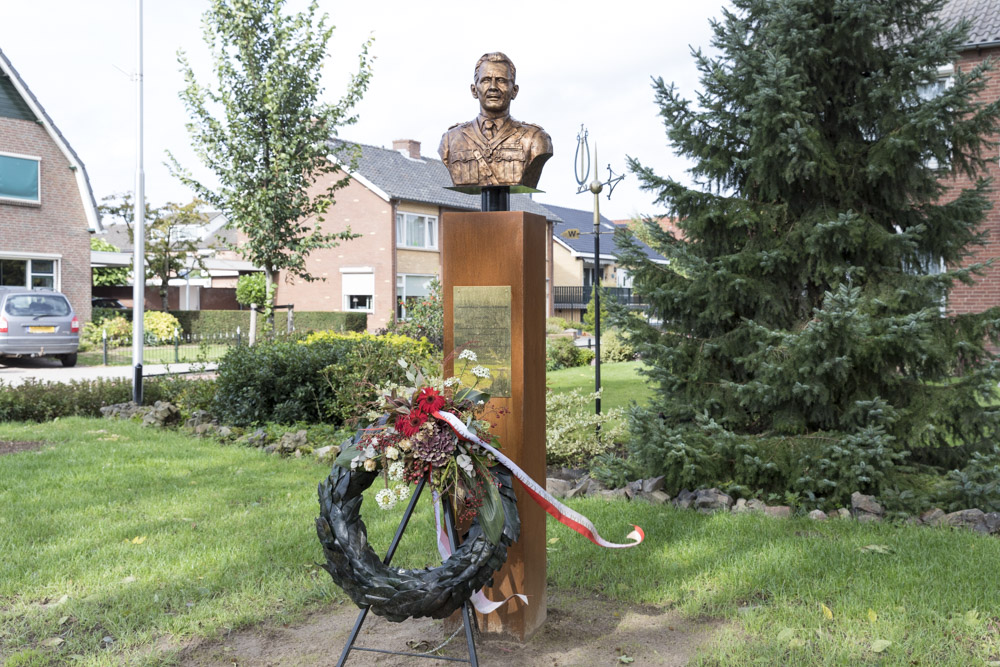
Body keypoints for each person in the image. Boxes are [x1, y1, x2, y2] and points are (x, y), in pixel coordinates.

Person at [439, 52, 553, 189]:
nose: (493, 87)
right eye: (486, 80)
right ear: (474, 90)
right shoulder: (451, 139)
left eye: (501, 80)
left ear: (514, 91)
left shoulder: (535, 138)